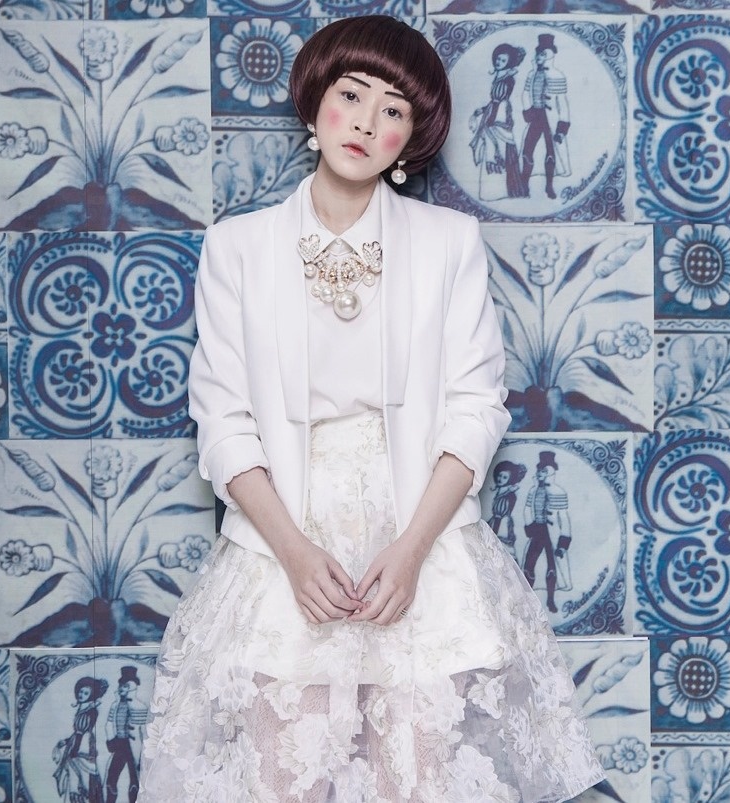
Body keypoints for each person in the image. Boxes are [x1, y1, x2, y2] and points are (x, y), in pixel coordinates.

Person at [140, 15, 603, 801]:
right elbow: (221, 419)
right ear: (316, 102)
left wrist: (413, 548)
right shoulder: (237, 247)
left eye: (393, 109)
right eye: (351, 95)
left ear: (411, 138)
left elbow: (476, 406)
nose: (364, 121)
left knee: (417, 779)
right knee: (279, 777)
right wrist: (294, 552)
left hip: (420, 530)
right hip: (281, 534)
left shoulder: (449, 241)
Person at [468, 42, 528, 201]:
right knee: (490, 147)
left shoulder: (508, 78)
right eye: (498, 59)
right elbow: (493, 101)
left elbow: (500, 101)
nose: (499, 62)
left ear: (509, 62)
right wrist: (482, 110)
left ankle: (502, 190)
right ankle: (491, 191)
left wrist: (490, 117)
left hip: (500, 115)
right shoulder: (499, 75)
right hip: (493, 111)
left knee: (499, 148)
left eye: (503, 60)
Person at [520, 33, 570, 200]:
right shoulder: (531, 74)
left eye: (543, 54)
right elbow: (525, 93)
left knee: (551, 152)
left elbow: (562, 102)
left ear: (550, 55)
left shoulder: (558, 76)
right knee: (527, 149)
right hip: (535, 116)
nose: (539, 57)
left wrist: (562, 128)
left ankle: (549, 186)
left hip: (551, 119)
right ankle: (524, 185)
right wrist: (527, 111)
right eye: (538, 54)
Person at [522, 450, 571, 614]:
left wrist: (563, 543)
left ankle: (550, 600)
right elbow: (527, 509)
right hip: (537, 531)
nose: (540, 473)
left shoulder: (559, 492)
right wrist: (529, 527)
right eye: (539, 470)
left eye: (544, 471)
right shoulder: (533, 490)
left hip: (552, 534)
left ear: (551, 472)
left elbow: (564, 517)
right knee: (529, 564)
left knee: (552, 566)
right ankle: (527, 601)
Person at [54, 676, 107, 803]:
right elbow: (77, 732)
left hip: (83, 745)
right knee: (75, 775)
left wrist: (74, 750)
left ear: (91, 695)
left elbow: (81, 732)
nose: (81, 695)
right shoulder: (83, 708)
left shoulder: (91, 710)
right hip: (78, 742)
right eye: (81, 691)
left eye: (85, 693)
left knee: (81, 774)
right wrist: (66, 741)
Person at [104, 666, 147, 803]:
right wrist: (110, 740)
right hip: (119, 744)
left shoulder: (140, 707)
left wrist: (142, 753)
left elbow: (142, 731)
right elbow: (109, 723)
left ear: (133, 687)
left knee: (135, 780)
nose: (122, 688)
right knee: (111, 778)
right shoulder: (115, 705)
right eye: (121, 685)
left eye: (126, 686)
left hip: (134, 746)